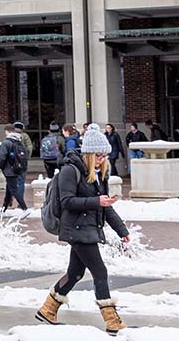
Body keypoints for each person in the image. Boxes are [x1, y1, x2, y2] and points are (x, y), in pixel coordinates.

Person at [35, 124, 131, 334]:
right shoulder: (71, 169)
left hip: (89, 228)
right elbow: (67, 201)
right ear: (88, 153)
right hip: (75, 228)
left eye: (105, 155)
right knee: (100, 271)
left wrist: (122, 230)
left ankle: (48, 310)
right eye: (98, 155)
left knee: (76, 272)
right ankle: (111, 320)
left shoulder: (99, 173)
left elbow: (106, 207)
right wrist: (95, 201)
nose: (102, 159)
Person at [0, 124, 29, 213]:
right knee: (9, 188)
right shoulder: (19, 141)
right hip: (17, 168)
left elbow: (2, 157)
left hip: (9, 169)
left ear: (7, 131)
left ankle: (25, 208)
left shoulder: (6, 142)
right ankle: (4, 208)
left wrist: (2, 167)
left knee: (13, 189)